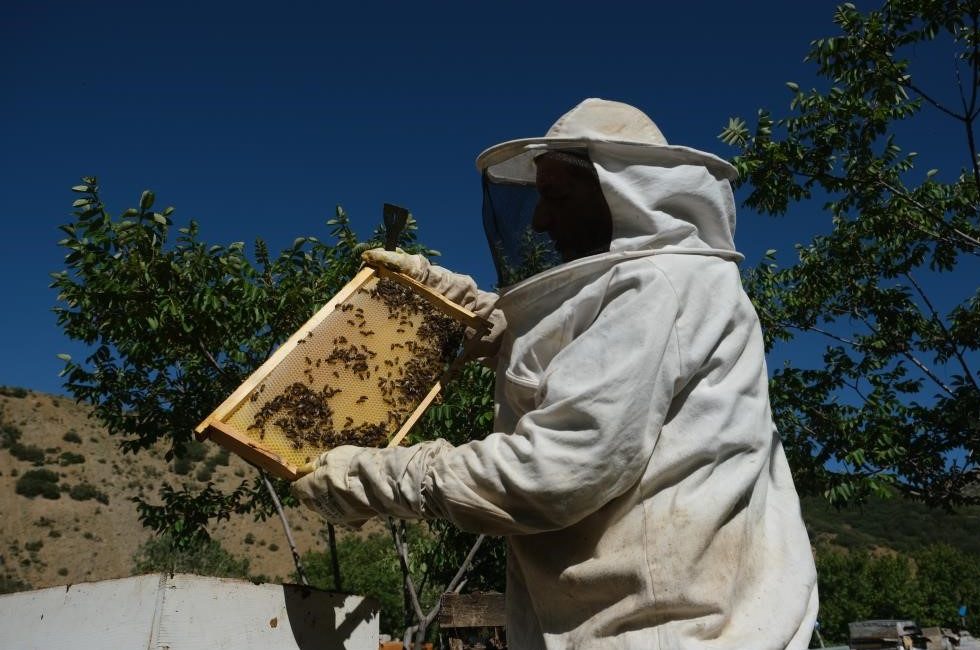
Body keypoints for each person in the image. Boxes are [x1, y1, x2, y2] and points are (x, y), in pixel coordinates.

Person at [293, 98, 819, 649]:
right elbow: (557, 342)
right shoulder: (654, 289)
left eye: (556, 197)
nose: (540, 220)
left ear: (621, 197)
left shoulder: (659, 287)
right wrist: (443, 302)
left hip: (663, 633)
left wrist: (366, 479)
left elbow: (554, 471)